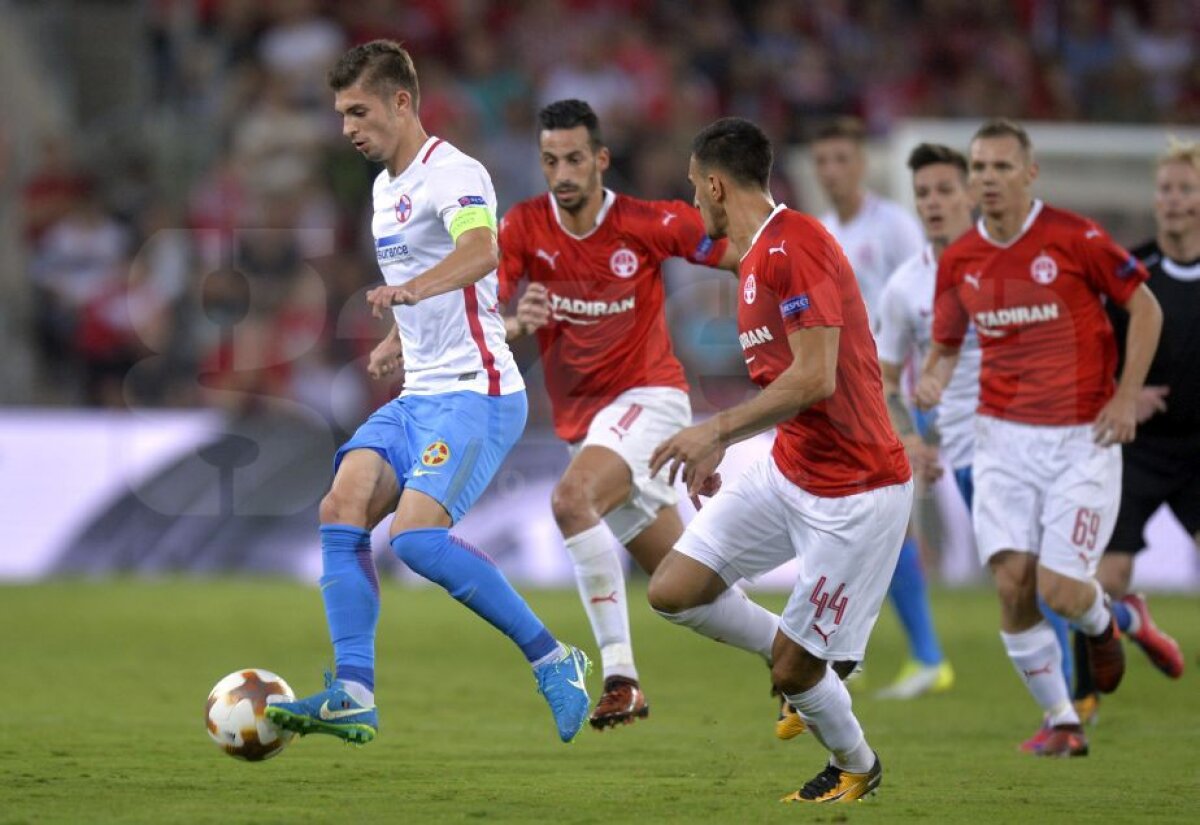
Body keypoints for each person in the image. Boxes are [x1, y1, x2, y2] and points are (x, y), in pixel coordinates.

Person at [265, 40, 591, 747]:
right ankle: (353, 692)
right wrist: (401, 336)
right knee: (342, 501)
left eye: (359, 111)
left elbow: (481, 253)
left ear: (401, 102)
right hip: (421, 393)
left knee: (415, 539)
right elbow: (447, 293)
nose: (349, 127)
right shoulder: (384, 191)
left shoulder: (456, 172)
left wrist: (410, 290)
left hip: (478, 392)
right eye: (341, 114)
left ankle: (554, 657)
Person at [649, 117, 913, 804]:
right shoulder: (750, 253)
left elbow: (815, 376)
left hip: (856, 491)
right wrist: (728, 440)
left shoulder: (799, 246)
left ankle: (856, 761)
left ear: (713, 183)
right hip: (789, 468)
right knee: (674, 589)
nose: (693, 198)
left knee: (797, 673)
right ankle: (803, 657)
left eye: (692, 185)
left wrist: (717, 433)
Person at [499, 99, 781, 729]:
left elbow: (742, 251)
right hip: (590, 429)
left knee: (571, 501)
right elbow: (485, 311)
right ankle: (793, 651)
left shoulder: (644, 222)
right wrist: (521, 320)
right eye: (550, 160)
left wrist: (785, 313)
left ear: (600, 159)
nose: (562, 172)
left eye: (574, 158)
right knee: (687, 592)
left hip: (649, 401)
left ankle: (620, 677)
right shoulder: (522, 227)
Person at [916, 118, 1163, 758]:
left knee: (1059, 589)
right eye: (979, 168)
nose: (988, 179)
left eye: (1001, 167)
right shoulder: (961, 260)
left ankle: (1106, 621)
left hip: (1083, 439)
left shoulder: (1074, 237)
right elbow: (944, 345)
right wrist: (934, 381)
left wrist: (1127, 393)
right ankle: (1063, 720)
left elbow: (1146, 307)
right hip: (1000, 440)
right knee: (1012, 586)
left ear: (1030, 174)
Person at [811, 116, 953, 700]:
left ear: (862, 164)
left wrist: (924, 395)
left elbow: (926, 299)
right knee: (859, 531)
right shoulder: (817, 229)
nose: (831, 171)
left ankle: (915, 656)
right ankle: (856, 649)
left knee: (887, 532)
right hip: (837, 402)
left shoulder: (893, 227)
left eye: (841, 159)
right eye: (822, 161)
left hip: (892, 399)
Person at [1072, 139, 1194, 713]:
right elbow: (1092, 350)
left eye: (1185, 190)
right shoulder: (1132, 273)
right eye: (1166, 189)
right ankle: (1083, 698)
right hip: (1138, 449)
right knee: (1102, 576)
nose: (1173, 200)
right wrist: (1127, 392)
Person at [873, 143, 980, 699]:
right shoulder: (905, 286)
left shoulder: (1009, 266)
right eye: (923, 194)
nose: (933, 203)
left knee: (1029, 573)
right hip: (948, 441)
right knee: (884, 531)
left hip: (1030, 436)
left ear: (971, 193)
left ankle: (1069, 700)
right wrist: (910, 435)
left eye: (944, 190)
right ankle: (922, 656)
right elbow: (889, 379)